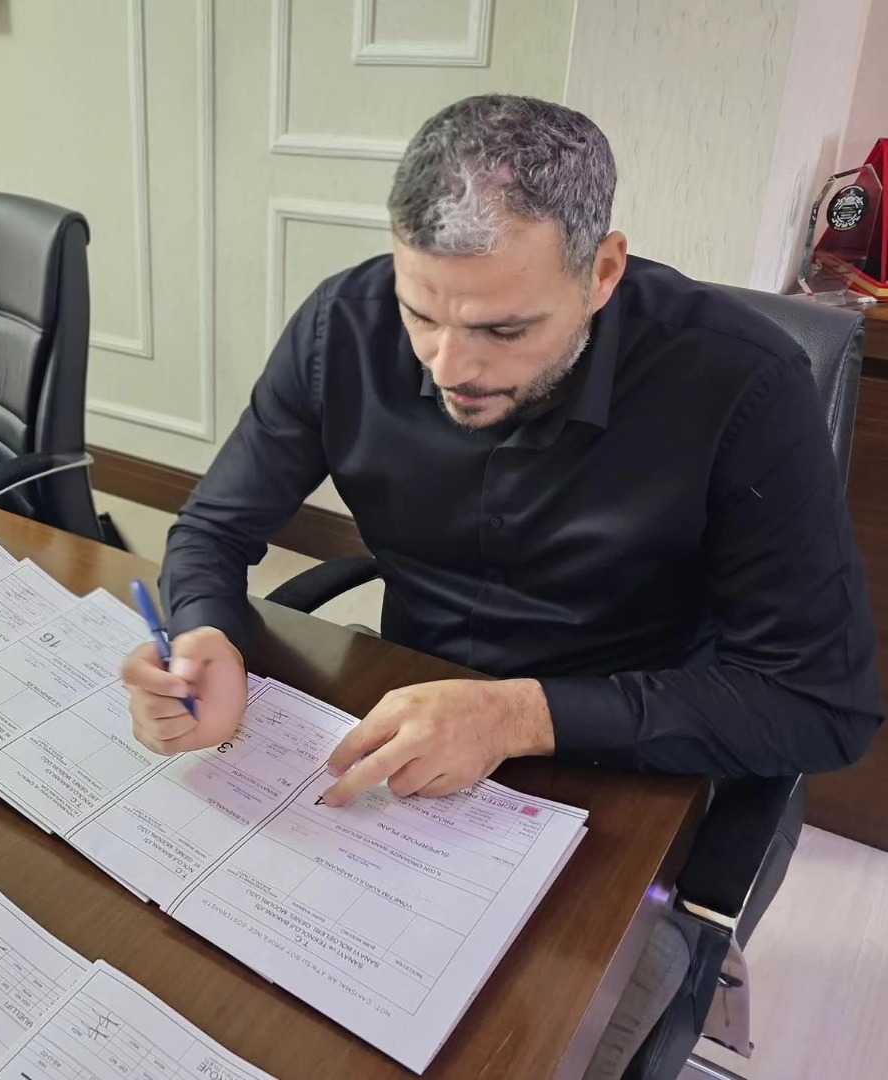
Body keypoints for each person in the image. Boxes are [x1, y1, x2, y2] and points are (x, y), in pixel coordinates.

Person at [120, 94, 883, 1077]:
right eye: (421, 314)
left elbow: (822, 707)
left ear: (601, 271)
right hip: (405, 745)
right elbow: (214, 529)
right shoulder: (342, 324)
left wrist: (519, 716)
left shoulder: (741, 383)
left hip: (626, 768)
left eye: (505, 329)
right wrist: (204, 636)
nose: (451, 368)